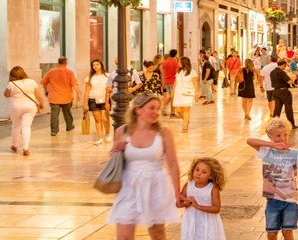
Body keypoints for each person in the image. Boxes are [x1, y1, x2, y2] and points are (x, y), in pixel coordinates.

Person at [107, 94, 182, 239]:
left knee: (158, 235)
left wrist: (177, 193)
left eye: (158, 108)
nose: (156, 112)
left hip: (155, 185)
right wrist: (116, 149)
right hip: (129, 186)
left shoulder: (164, 133)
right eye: (151, 108)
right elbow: (115, 162)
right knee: (123, 236)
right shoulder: (122, 132)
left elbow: (173, 164)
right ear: (138, 109)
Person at [247, 118, 298, 240]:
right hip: (272, 201)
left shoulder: (296, 153)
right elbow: (249, 141)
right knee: (272, 233)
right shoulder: (266, 151)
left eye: (285, 135)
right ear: (270, 136)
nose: (282, 138)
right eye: (278, 135)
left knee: (287, 232)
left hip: (290, 201)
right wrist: (272, 145)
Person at [179, 157, 226, 240]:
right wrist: (186, 203)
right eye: (197, 170)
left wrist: (197, 206)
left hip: (207, 223)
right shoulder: (188, 185)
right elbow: (178, 203)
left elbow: (216, 208)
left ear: (211, 176)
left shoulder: (213, 189)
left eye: (204, 172)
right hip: (190, 221)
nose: (198, 173)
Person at [4, 66, 46, 156]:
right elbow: (38, 95)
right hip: (30, 106)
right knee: (26, 126)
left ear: (12, 75)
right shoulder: (31, 82)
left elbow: (6, 95)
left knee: (16, 126)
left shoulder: (12, 84)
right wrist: (41, 103)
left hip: (15, 107)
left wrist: (10, 83)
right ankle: (25, 148)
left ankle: (14, 145)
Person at [41, 57, 80, 137]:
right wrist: (78, 94)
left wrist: (46, 91)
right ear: (66, 62)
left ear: (58, 62)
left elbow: (44, 82)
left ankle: (54, 131)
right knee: (67, 113)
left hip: (54, 97)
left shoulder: (51, 71)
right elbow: (74, 84)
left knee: (54, 114)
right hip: (66, 97)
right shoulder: (69, 72)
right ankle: (69, 126)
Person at [86, 60, 113, 145]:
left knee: (105, 118)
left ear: (101, 65)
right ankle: (100, 138)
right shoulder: (90, 77)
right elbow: (87, 91)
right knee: (97, 120)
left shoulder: (107, 75)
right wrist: (84, 103)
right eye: (93, 65)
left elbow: (111, 87)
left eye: (97, 64)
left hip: (105, 99)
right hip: (93, 99)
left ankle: (107, 133)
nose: (95, 66)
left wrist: (110, 92)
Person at [172, 57, 200, 133]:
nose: (178, 63)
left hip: (188, 92)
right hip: (179, 92)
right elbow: (176, 82)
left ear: (183, 63)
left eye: (179, 62)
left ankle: (185, 127)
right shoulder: (178, 71)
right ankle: (186, 119)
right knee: (178, 110)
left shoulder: (192, 72)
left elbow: (195, 83)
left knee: (186, 109)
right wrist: (172, 91)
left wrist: (197, 94)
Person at [270, 60, 297, 128]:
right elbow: (290, 82)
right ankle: (291, 124)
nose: (285, 67)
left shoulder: (272, 72)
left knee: (277, 109)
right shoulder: (281, 72)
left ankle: (274, 124)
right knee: (288, 109)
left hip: (276, 91)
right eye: (285, 66)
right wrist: (293, 78)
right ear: (283, 65)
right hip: (284, 92)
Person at [161, 49, 180, 116]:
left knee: (171, 97)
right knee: (172, 97)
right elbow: (177, 73)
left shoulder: (164, 62)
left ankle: (165, 108)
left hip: (166, 81)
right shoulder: (176, 62)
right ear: (176, 54)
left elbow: (162, 73)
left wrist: (163, 82)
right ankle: (172, 112)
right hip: (173, 82)